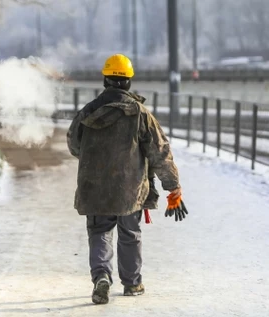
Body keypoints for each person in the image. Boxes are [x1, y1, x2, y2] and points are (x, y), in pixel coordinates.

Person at [67, 54, 188, 305]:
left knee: (99, 231)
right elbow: (159, 151)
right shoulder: (140, 113)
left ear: (105, 80)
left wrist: (93, 158)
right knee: (130, 233)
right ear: (129, 83)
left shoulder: (88, 111)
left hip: (95, 187)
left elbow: (74, 144)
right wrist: (173, 187)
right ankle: (132, 284)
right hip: (130, 188)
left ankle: (101, 276)